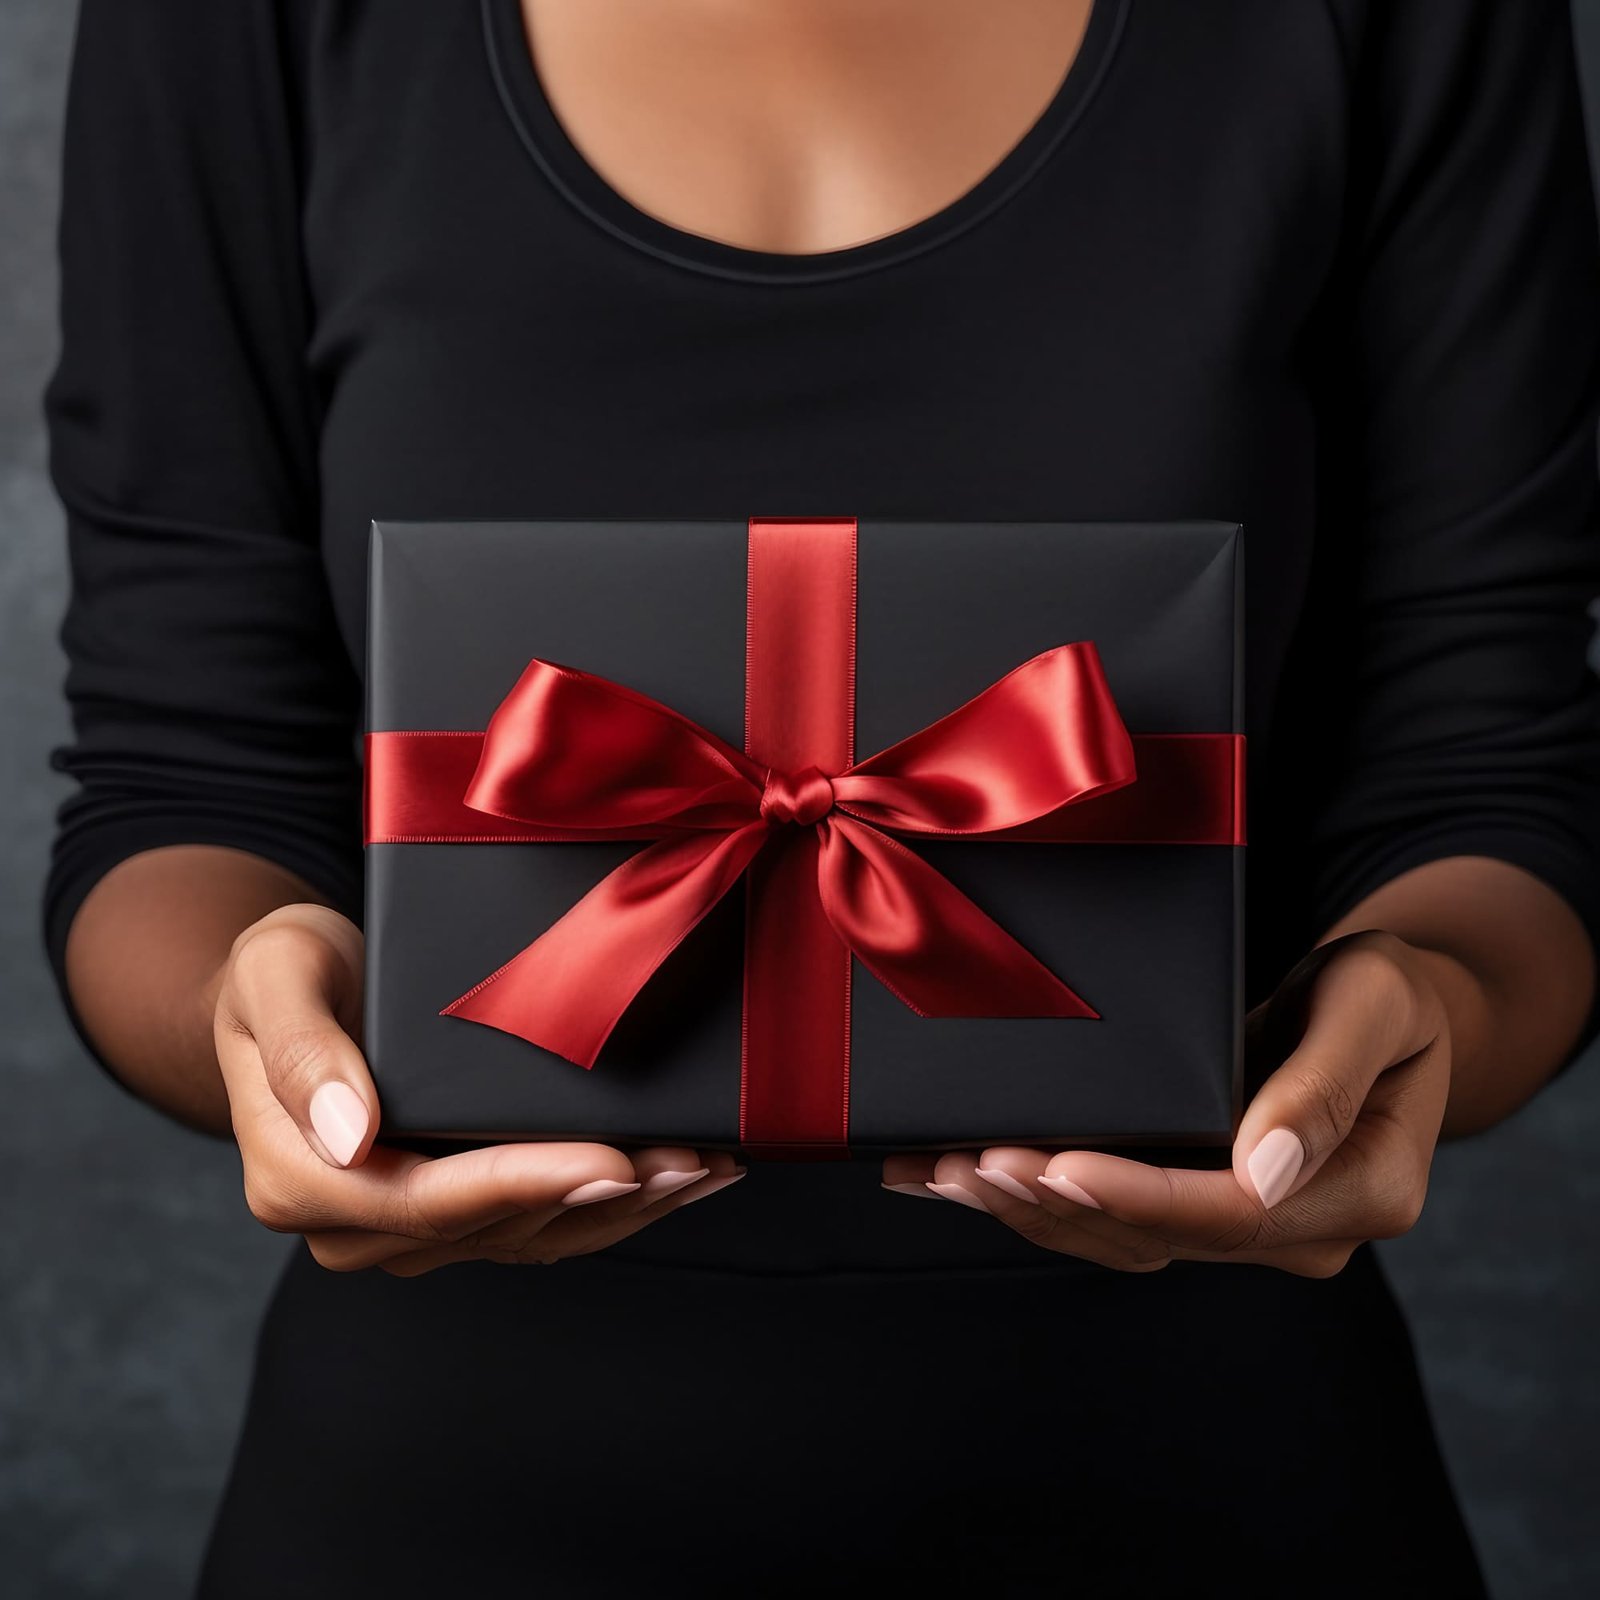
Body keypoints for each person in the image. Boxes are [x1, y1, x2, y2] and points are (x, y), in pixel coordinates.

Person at [41, 1, 1600, 1594]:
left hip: (1235, 1485)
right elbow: (179, 775)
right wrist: (266, 1024)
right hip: (431, 1503)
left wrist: (1424, 1011)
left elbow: (1484, 771)